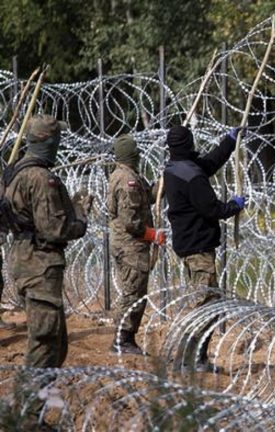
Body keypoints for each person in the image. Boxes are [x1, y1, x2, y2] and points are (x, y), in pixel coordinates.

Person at [3, 115, 92, 368]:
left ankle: (38, 401)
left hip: (26, 259)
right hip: (39, 264)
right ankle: (27, 406)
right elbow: (53, 229)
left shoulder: (14, 173)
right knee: (44, 346)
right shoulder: (41, 178)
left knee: (56, 344)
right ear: (49, 142)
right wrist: (80, 217)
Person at [163, 125, 245, 371]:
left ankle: (196, 358)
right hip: (198, 248)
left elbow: (208, 163)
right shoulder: (192, 176)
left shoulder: (176, 167)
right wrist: (233, 206)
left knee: (208, 304)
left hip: (189, 243)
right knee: (204, 305)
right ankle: (187, 361)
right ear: (189, 143)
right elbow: (212, 208)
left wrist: (229, 142)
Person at [107, 134, 164, 354]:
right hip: (130, 245)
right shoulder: (127, 180)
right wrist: (152, 234)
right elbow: (130, 221)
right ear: (132, 155)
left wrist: (161, 184)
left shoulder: (126, 176)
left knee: (135, 291)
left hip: (128, 245)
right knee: (133, 293)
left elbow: (146, 198)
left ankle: (125, 338)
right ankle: (122, 340)